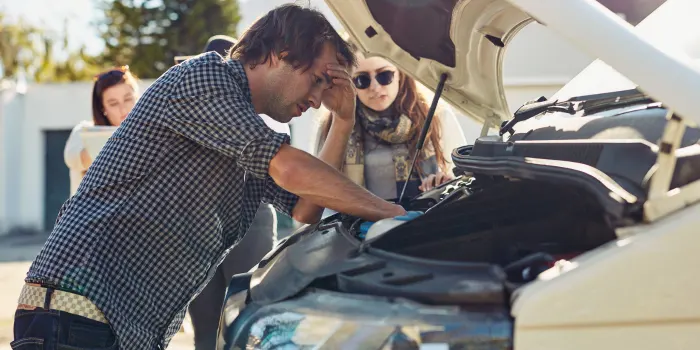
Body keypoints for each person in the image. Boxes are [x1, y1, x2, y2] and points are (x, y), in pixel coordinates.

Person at [13, 4, 405, 350]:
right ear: (281, 54)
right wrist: (392, 214)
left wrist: (343, 120)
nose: (318, 97)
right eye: (318, 79)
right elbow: (290, 167)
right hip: (74, 314)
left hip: (114, 328)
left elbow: (306, 208)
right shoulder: (205, 77)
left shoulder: (244, 134)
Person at [176, 34, 286, 350]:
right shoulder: (190, 108)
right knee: (206, 328)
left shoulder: (267, 106)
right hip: (197, 226)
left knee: (252, 319)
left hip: (250, 221)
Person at [313, 41, 466, 202]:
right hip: (364, 225)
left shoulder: (437, 116)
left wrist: (442, 184)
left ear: (400, 73)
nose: (375, 87)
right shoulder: (335, 125)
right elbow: (320, 190)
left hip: (429, 220)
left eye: (384, 76)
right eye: (362, 80)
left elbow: (462, 179)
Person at [64, 66, 140, 194]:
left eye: (127, 99)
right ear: (102, 108)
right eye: (113, 103)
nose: (123, 109)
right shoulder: (83, 132)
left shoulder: (152, 133)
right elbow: (72, 158)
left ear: (137, 97)